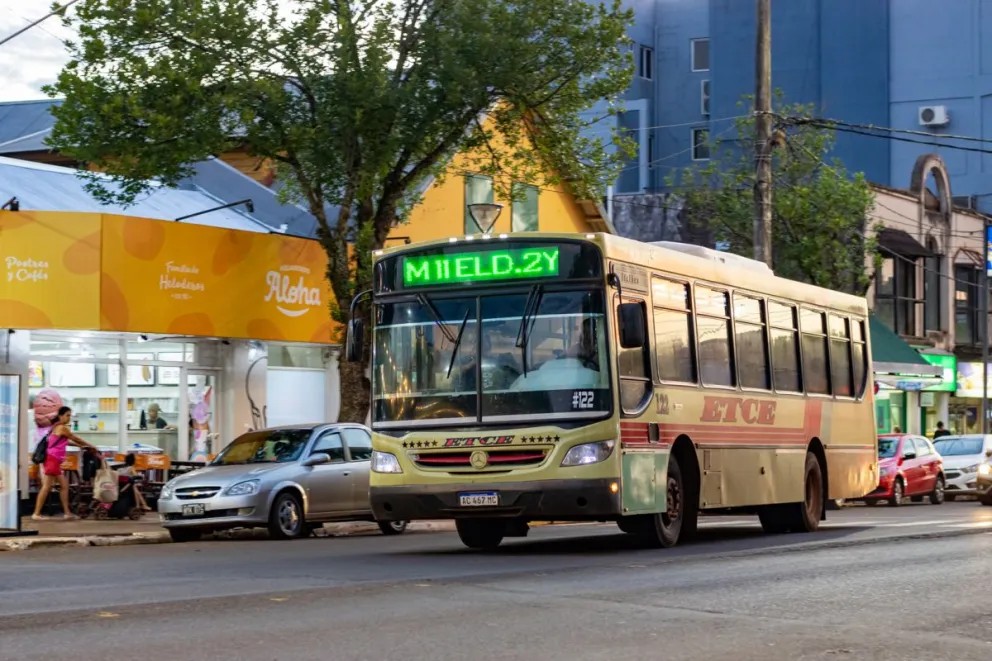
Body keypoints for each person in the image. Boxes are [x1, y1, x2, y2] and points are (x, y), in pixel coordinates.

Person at [32, 406, 98, 521]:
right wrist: (91, 446)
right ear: (60, 416)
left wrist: (81, 446)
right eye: (67, 415)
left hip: (53, 460)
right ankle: (36, 514)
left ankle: (67, 513)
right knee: (47, 486)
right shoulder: (62, 428)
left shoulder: (55, 427)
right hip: (53, 459)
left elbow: (65, 442)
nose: (69, 418)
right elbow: (75, 438)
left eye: (70, 415)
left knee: (64, 486)